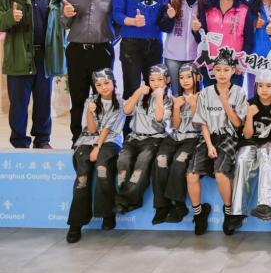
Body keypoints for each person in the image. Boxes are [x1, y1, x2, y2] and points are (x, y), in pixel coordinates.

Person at [0, 0, 66, 149]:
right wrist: (10, 17)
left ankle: (42, 139)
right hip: (19, 56)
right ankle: (19, 142)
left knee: (43, 102)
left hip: (45, 57)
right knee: (18, 104)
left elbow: (62, 26)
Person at [111, 0, 172, 135]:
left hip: (155, 42)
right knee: (132, 88)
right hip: (131, 42)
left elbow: (165, 14)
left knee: (156, 89)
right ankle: (129, 134)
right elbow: (116, 13)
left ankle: (152, 132)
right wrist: (132, 21)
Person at [188, 49, 248, 235]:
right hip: (209, 137)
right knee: (191, 175)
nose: (222, 74)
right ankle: (199, 214)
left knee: (221, 173)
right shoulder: (205, 92)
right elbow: (203, 123)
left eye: (226, 70)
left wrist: (225, 103)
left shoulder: (239, 92)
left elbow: (237, 123)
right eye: (218, 70)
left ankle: (229, 213)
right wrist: (209, 145)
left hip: (229, 136)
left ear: (233, 71)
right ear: (213, 71)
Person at [62, 0, 117, 143]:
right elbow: (64, 24)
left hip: (102, 52)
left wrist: (110, 39)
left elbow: (119, 23)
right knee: (78, 98)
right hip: (76, 51)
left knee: (103, 98)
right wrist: (66, 16)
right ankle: (77, 139)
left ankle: (102, 140)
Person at [65, 68, 124, 243]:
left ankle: (107, 213)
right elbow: (91, 130)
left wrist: (97, 147)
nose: (103, 87)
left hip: (109, 141)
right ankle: (76, 224)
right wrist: (90, 112)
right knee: (82, 178)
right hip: (86, 140)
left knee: (102, 169)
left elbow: (107, 129)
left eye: (106, 83)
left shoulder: (120, 102)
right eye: (99, 85)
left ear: (113, 83)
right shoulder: (90, 101)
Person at [230, 69, 271, 228]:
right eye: (260, 86)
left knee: (267, 155)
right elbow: (247, 135)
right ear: (256, 87)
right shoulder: (250, 104)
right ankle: (237, 211)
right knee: (242, 159)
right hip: (251, 142)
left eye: (268, 86)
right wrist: (249, 116)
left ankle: (265, 205)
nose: (264, 89)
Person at [114, 64, 172, 214]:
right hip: (134, 138)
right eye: (152, 80)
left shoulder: (168, 100)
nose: (156, 83)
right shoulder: (141, 95)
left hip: (154, 140)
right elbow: (126, 110)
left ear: (167, 80)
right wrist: (138, 91)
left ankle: (124, 200)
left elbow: (159, 118)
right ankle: (133, 199)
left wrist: (159, 97)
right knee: (122, 162)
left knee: (142, 163)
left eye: (160, 79)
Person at [151, 63, 202, 225]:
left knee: (179, 162)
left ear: (197, 77)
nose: (185, 80)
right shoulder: (175, 98)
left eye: (188, 77)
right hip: (174, 137)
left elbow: (198, 125)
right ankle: (162, 206)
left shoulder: (204, 96)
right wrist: (177, 108)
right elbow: (174, 125)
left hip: (193, 138)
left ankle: (179, 205)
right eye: (181, 77)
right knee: (160, 160)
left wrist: (193, 105)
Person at [198, 0, 254, 87]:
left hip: (234, 67)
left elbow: (249, 40)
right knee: (210, 98)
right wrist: (195, 29)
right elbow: (201, 38)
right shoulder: (207, 8)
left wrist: (240, 63)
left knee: (233, 99)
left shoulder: (244, 9)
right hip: (210, 65)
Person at [160, 0, 207, 95]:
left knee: (194, 94)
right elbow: (163, 27)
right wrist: (169, 18)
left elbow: (207, 35)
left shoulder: (206, 2)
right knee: (176, 94)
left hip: (196, 57)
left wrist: (197, 30)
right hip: (173, 57)